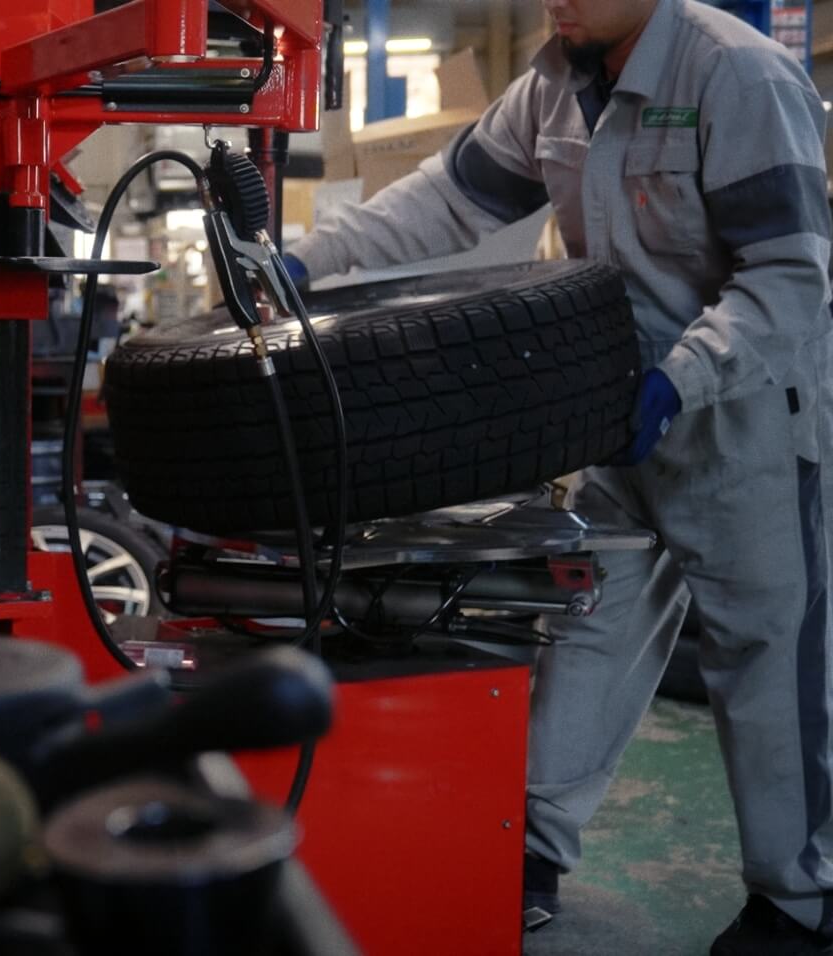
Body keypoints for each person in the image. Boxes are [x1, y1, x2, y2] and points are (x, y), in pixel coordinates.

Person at [285, 1, 833, 953]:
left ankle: (799, 902)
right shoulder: (553, 83)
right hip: (620, 418)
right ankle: (527, 850)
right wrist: (306, 260)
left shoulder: (735, 73)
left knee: (767, 659)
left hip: (743, 418)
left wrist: (682, 379)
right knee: (587, 629)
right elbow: (447, 200)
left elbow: (788, 275)